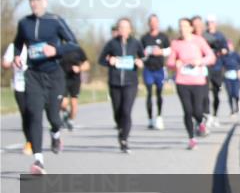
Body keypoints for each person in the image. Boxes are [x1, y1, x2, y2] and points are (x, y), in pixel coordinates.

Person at [12, 0, 80, 175]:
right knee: (33, 114)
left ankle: (56, 134)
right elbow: (18, 43)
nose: (34, 4)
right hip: (33, 74)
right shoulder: (24, 23)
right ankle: (38, 160)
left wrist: (56, 50)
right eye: (31, 1)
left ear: (45, 2)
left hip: (54, 74)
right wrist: (18, 56)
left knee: (54, 117)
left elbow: (73, 43)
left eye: (37, 1)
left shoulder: (55, 21)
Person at [167, 17, 216, 150]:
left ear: (190, 28)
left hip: (198, 81)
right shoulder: (176, 43)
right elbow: (170, 62)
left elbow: (211, 57)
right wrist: (174, 64)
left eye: (185, 26)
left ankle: (201, 122)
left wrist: (199, 61)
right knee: (188, 111)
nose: (182, 29)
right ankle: (191, 138)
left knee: (198, 111)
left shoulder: (199, 41)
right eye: (180, 26)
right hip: (182, 81)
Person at [98, 18, 145, 153]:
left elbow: (143, 57)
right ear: (118, 29)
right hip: (115, 82)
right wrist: (109, 61)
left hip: (131, 82)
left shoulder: (135, 43)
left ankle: (124, 139)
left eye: (126, 27)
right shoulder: (112, 43)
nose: (123, 30)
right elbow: (101, 59)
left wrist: (139, 62)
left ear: (130, 29)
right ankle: (120, 128)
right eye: (121, 27)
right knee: (118, 112)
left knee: (126, 111)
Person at [140, 13, 171, 131]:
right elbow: (139, 53)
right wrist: (146, 53)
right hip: (148, 69)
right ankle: (149, 119)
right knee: (149, 93)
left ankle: (159, 117)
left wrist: (161, 52)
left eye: (155, 21)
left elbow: (169, 50)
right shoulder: (144, 38)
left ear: (158, 23)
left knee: (159, 93)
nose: (153, 24)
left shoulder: (163, 37)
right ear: (149, 24)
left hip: (159, 69)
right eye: (151, 22)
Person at [2, 42, 30, 154]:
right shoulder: (14, 46)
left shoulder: (38, 44)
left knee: (34, 113)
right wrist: (8, 62)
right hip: (19, 85)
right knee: (25, 115)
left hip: (36, 85)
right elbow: (5, 63)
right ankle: (29, 141)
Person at [203, 14, 229, 127]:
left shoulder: (220, 36)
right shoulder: (203, 36)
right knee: (204, 93)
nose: (210, 25)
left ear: (215, 23)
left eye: (212, 22)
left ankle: (215, 115)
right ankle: (207, 115)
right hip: (206, 67)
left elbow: (226, 49)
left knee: (216, 93)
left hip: (217, 67)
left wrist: (223, 50)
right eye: (208, 22)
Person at [58, 42, 89, 131]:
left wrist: (79, 68)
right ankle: (66, 114)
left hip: (75, 79)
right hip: (62, 78)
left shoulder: (78, 50)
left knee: (74, 104)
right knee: (63, 102)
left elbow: (87, 64)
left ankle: (70, 120)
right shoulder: (60, 49)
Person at [219, 40, 240, 116]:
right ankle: (232, 110)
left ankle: (237, 106)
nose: (228, 47)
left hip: (236, 76)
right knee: (229, 94)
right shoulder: (224, 56)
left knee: (235, 93)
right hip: (227, 77)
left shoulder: (236, 55)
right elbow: (220, 65)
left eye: (229, 45)